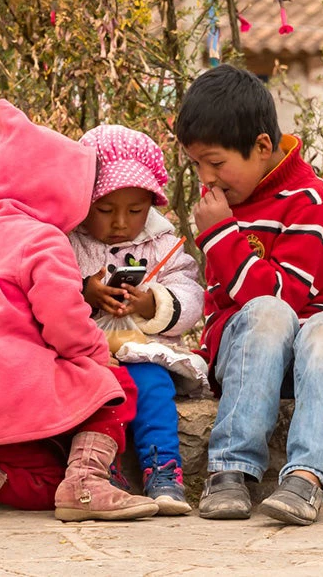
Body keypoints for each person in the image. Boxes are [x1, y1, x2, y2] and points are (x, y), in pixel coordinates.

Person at [0, 100, 158, 522]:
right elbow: (64, 322)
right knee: (118, 385)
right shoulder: (42, 241)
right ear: (60, 191)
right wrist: (95, 353)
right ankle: (89, 483)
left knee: (49, 479)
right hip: (10, 391)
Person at [175, 64, 323, 526]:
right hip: (252, 355)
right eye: (197, 165)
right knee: (264, 316)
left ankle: (306, 477)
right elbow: (243, 307)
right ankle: (230, 471)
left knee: (317, 325)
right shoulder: (224, 205)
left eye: (217, 163)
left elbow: (286, 296)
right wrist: (221, 230)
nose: (207, 178)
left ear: (262, 147)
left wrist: (222, 235)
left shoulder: (310, 201)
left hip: (320, 350)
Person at [68, 124, 204, 515]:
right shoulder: (68, 240)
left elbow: (190, 293)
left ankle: (162, 470)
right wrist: (85, 292)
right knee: (96, 395)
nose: (121, 223)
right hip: (89, 356)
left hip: (143, 351)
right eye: (105, 210)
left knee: (153, 387)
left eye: (135, 210)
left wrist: (151, 305)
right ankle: (104, 473)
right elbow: (46, 289)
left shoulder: (163, 243)